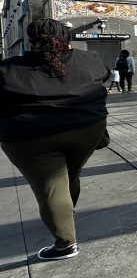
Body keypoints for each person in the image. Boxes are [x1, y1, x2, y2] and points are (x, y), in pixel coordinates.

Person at [0, 19, 110, 260]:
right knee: (71, 174)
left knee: (49, 186)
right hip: (86, 129)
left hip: (31, 138)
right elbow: (104, 77)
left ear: (30, 41)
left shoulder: (8, 69)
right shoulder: (88, 59)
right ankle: (67, 212)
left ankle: (65, 244)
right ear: (66, 39)